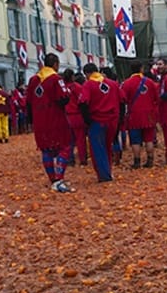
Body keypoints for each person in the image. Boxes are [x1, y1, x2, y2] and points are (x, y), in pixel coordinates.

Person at [26, 53, 74, 192]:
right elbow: (63, 99)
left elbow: (28, 102)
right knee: (64, 147)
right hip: (55, 118)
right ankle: (59, 178)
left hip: (39, 120)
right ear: (56, 64)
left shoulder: (33, 80)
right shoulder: (56, 79)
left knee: (45, 149)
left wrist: (31, 120)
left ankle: (52, 179)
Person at [79, 63, 123, 182]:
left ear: (87, 74)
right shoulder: (113, 84)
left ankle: (104, 175)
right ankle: (108, 170)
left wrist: (87, 120)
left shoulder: (88, 85)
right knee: (107, 146)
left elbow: (83, 103)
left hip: (97, 120)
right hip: (112, 120)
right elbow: (122, 100)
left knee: (98, 148)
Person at [120, 60, 159, 169]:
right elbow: (157, 98)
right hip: (149, 115)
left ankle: (137, 161)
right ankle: (150, 160)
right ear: (141, 68)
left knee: (135, 140)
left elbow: (123, 99)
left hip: (134, 115)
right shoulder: (150, 82)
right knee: (149, 139)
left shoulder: (126, 83)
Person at [62, 69, 88, 166]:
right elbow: (82, 100)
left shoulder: (63, 87)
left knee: (69, 140)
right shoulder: (76, 87)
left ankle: (70, 159)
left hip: (66, 116)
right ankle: (82, 159)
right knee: (80, 139)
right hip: (77, 115)